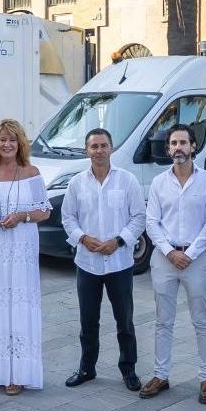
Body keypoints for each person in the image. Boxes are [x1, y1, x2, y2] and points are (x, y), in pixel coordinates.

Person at [141, 124, 206, 403]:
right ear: (168, 149)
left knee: (202, 320)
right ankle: (160, 375)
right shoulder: (158, 183)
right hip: (164, 259)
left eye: (183, 143)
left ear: (193, 147)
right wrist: (169, 251)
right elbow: (151, 222)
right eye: (173, 143)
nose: (178, 148)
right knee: (163, 320)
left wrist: (190, 253)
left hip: (197, 260)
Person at [60, 129, 146, 391]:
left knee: (125, 321)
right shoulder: (76, 183)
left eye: (104, 145)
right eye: (94, 146)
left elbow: (139, 217)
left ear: (111, 148)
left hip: (119, 263)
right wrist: (83, 238)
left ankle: (128, 369)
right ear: (87, 150)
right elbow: (68, 218)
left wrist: (118, 241)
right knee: (88, 321)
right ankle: (87, 368)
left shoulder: (128, 180)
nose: (99, 150)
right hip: (87, 264)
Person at [0, 118, 50, 396]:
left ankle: (19, 373)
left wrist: (23, 216)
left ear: (20, 143)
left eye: (12, 140)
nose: (7, 144)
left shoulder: (32, 172)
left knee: (20, 306)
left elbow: (45, 211)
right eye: (2, 139)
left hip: (22, 248)